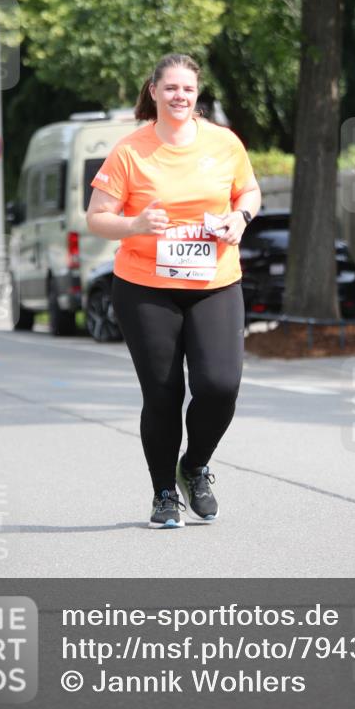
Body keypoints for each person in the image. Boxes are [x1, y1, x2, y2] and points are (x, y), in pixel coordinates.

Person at [86, 53, 261, 529]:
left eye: (188, 88)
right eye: (171, 89)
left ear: (197, 92)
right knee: (163, 395)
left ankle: (195, 465)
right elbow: (96, 217)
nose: (180, 96)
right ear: (154, 91)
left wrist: (239, 218)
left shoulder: (224, 143)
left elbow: (249, 192)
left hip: (215, 283)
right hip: (146, 287)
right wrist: (136, 223)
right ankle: (164, 492)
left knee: (220, 386)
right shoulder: (130, 150)